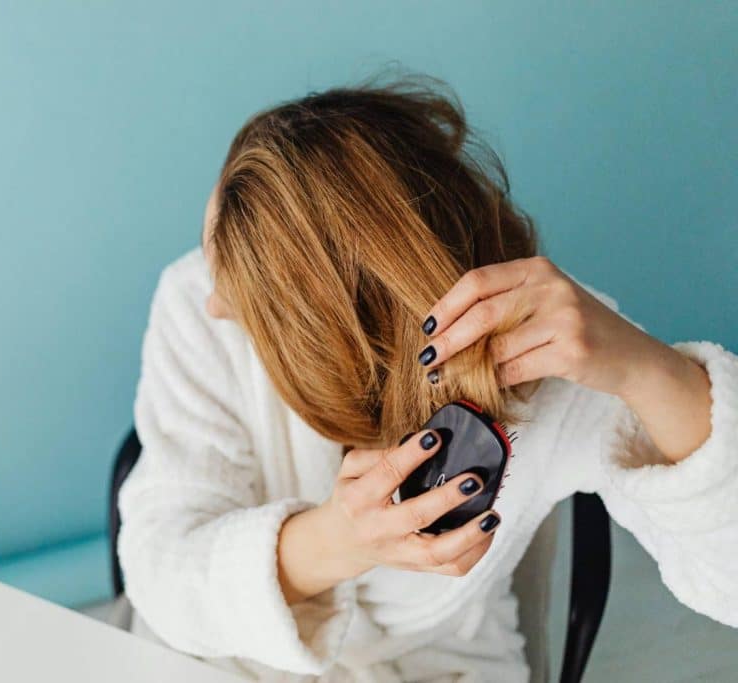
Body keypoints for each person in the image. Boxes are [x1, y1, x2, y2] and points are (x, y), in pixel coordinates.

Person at [116, 75, 737, 682]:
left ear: (331, 336)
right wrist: (337, 538)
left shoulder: (552, 349)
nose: (216, 307)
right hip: (221, 658)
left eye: (238, 294)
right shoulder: (194, 301)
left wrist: (652, 371)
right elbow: (160, 568)